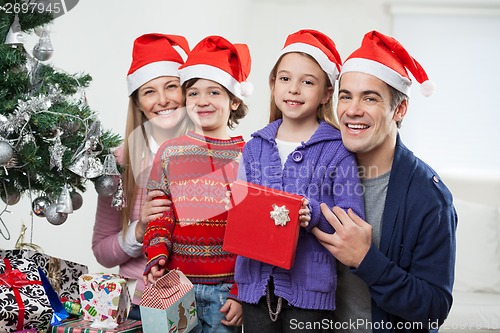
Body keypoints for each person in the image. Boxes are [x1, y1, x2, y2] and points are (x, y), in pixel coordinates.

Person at [312, 30, 458, 333]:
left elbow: (434, 309)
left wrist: (367, 260)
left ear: (400, 109)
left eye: (370, 98)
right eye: (346, 96)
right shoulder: (316, 169)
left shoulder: (430, 198)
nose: (352, 110)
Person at [234, 29, 365, 333]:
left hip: (309, 293)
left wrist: (313, 214)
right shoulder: (254, 147)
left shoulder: (338, 150)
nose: (294, 89)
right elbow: (241, 213)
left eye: (307, 81)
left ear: (327, 93)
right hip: (254, 288)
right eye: (285, 78)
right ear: (272, 84)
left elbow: (353, 217)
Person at [142, 35, 252, 333]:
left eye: (214, 92)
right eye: (193, 93)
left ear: (234, 99)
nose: (202, 101)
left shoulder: (250, 155)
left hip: (226, 292)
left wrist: (242, 292)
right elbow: (160, 215)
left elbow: (253, 232)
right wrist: (156, 257)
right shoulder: (169, 153)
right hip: (177, 286)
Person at [92, 33, 191, 320]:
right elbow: (102, 251)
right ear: (137, 102)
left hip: (204, 299)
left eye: (171, 86)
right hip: (141, 305)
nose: (163, 100)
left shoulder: (212, 155)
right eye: (149, 92)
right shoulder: (119, 162)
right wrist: (138, 229)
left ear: (185, 91)